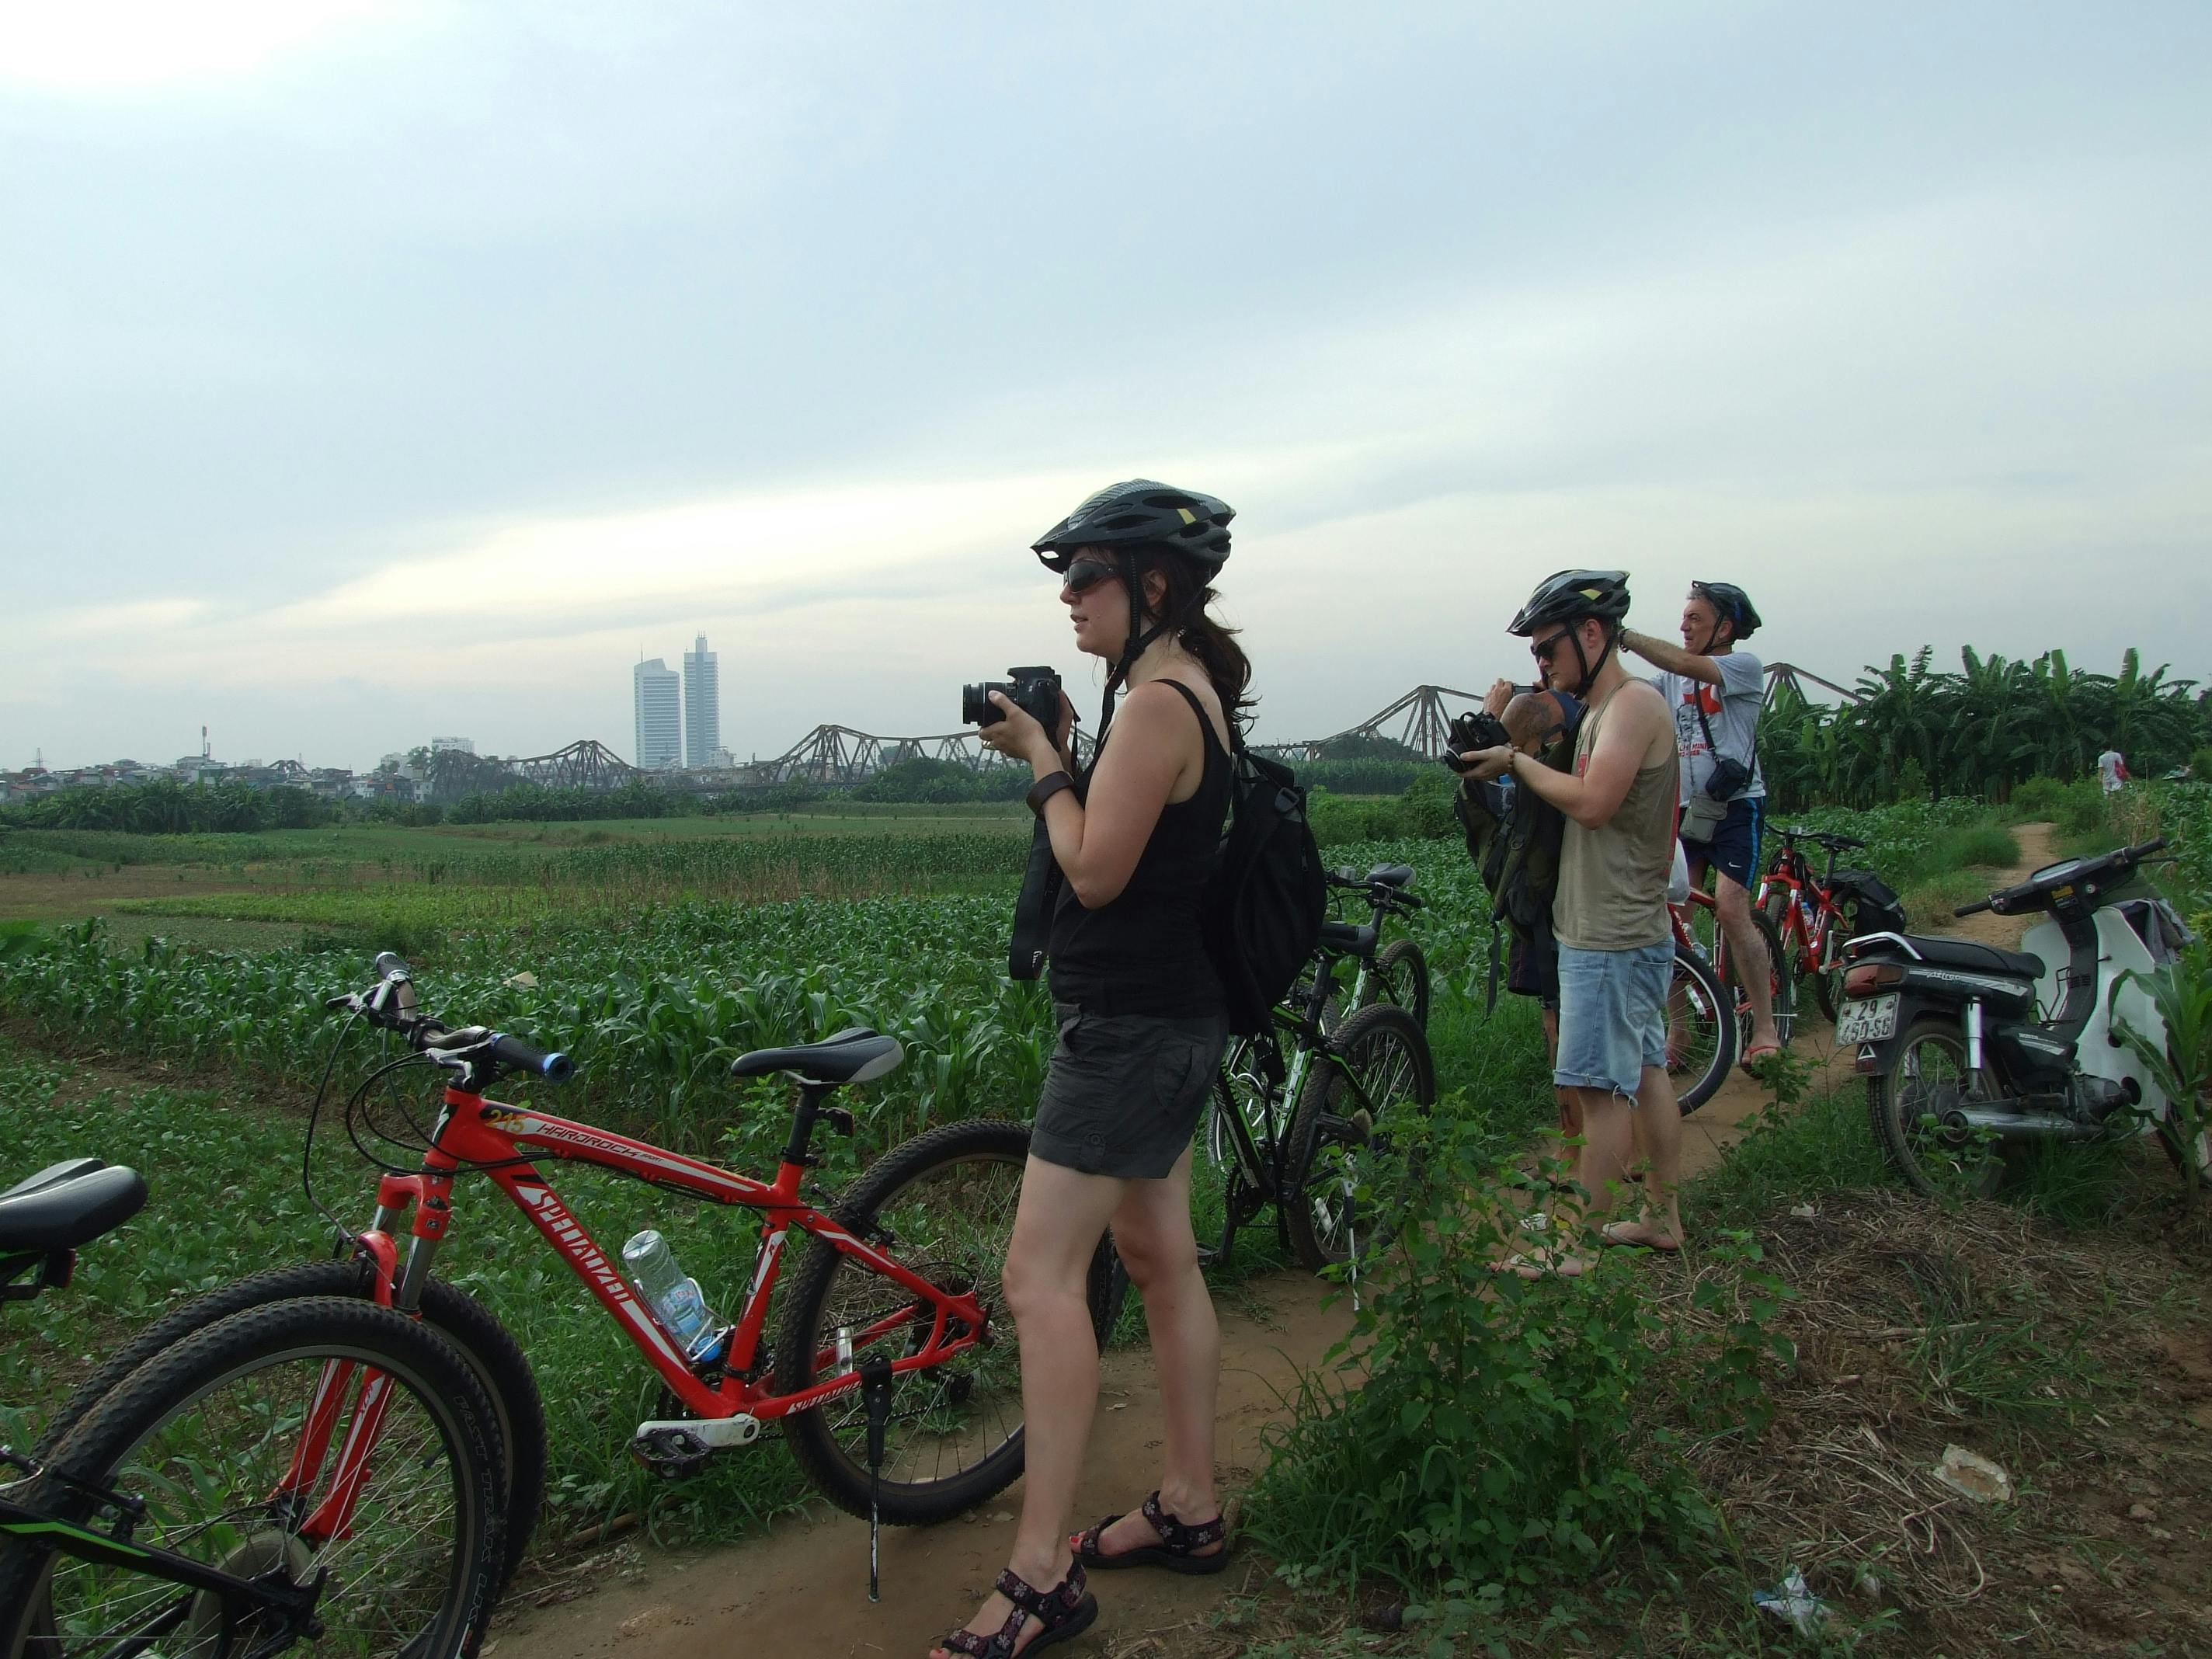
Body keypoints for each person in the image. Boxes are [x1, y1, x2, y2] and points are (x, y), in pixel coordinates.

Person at [942, 480, 1242, 1659]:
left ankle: (1039, 1576)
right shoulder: (1178, 687)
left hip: (1128, 1030)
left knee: (1036, 1281)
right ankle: (1191, 1503)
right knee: (1159, 1257)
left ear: (1152, 585)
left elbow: (1095, 872)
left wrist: (1040, 760)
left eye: (1088, 576)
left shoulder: (1162, 702)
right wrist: (1069, 751)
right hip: (1161, 1022)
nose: (1068, 597)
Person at [1461, 570, 1685, 1269]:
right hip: (1614, 927)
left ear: (1592, 634)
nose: (1541, 664)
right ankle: (1661, 1217)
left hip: (1610, 935)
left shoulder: (1633, 706)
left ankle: (1575, 1243)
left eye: (1547, 647)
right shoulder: (1598, 712)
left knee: (1597, 1088)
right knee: (1644, 1074)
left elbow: (1593, 803)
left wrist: (1514, 762)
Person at [1619, 581, 1782, 1068]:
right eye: (1683, 618)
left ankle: (1767, 1030)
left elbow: (1684, 664)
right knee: (1670, 917)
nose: (1684, 626)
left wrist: (1621, 634)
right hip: (1687, 811)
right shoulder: (1670, 681)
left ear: (1724, 628)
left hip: (1736, 808)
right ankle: (1681, 1033)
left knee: (1732, 910)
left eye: (1695, 618)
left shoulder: (1741, 667)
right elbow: (1635, 692)